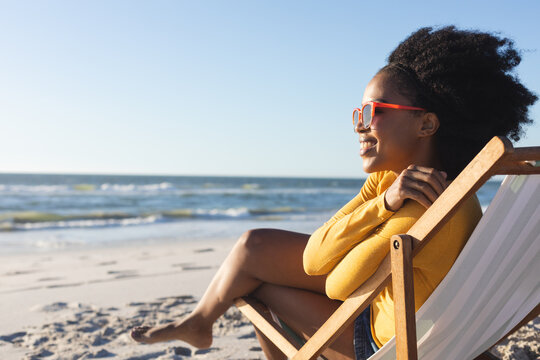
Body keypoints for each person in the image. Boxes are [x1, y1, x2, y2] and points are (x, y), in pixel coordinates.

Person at [131, 26, 537, 360]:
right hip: (421, 322)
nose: (359, 126)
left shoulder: (423, 209)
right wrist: (382, 201)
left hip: (387, 342)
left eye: (372, 112)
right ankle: (200, 321)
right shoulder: (415, 184)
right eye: (357, 113)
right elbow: (315, 258)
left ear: (426, 125)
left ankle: (202, 322)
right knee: (254, 246)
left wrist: (386, 206)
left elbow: (334, 285)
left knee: (255, 286)